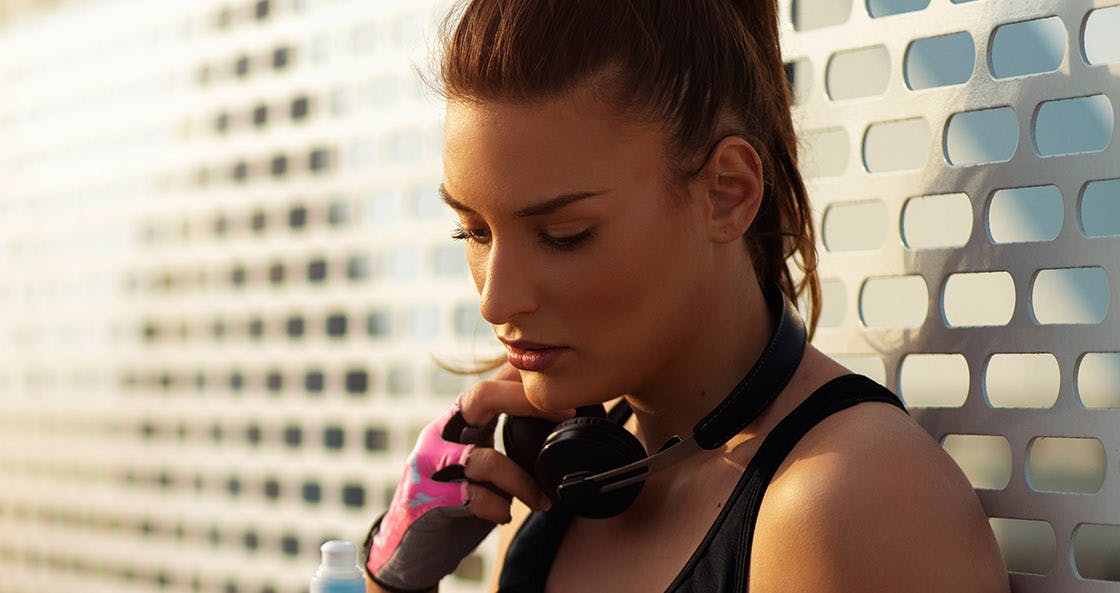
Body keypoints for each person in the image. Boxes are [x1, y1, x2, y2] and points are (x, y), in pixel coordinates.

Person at [358, 1, 1011, 592]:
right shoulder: (567, 492)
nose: (495, 302)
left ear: (726, 191)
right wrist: (392, 577)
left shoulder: (850, 503)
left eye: (563, 235)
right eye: (473, 230)